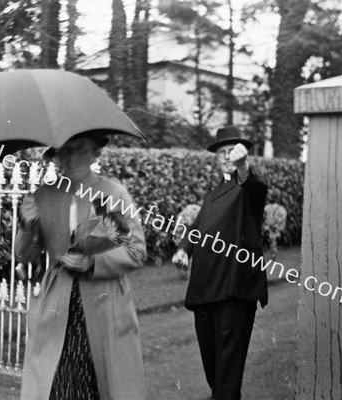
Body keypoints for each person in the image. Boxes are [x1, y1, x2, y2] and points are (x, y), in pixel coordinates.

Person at [16, 132, 147, 400]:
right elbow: (23, 256)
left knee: (99, 383)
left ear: (94, 154)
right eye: (63, 150)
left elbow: (137, 250)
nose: (70, 156)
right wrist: (27, 225)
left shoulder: (114, 193)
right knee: (57, 382)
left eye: (79, 149)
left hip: (104, 302)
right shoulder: (43, 196)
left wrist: (93, 262)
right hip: (57, 305)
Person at [172, 126, 268, 400]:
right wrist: (183, 250)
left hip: (233, 287)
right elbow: (199, 227)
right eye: (222, 153)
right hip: (205, 288)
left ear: (242, 154)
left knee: (228, 366)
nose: (226, 156)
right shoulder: (213, 194)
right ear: (216, 158)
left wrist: (244, 168)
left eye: (232, 151)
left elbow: (257, 189)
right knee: (212, 362)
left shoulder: (247, 186)